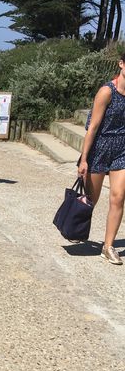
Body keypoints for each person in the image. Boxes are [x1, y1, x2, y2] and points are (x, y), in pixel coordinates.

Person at [77, 52, 125, 265]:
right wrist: (84, 159)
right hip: (100, 147)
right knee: (90, 199)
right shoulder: (107, 91)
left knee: (118, 196)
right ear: (121, 64)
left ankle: (108, 246)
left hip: (122, 150)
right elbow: (93, 126)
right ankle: (74, 228)